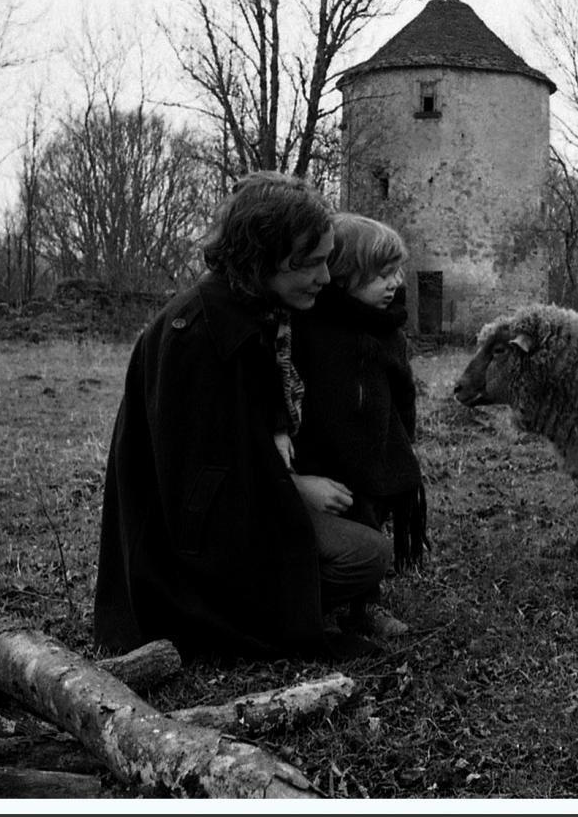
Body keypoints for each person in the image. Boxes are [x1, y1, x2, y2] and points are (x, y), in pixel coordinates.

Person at [93, 171, 395, 661]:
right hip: (193, 557)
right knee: (366, 556)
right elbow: (197, 493)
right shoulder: (196, 336)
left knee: (361, 532)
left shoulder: (261, 316)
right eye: (311, 264)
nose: (324, 277)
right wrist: (292, 489)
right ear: (262, 259)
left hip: (250, 505)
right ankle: (265, 612)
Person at [289, 212, 428, 638]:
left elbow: (403, 391)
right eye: (382, 275)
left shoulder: (390, 332)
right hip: (325, 455)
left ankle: (365, 606)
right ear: (345, 277)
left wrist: (403, 443)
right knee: (346, 524)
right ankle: (325, 593)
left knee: (374, 519)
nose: (395, 283)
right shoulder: (311, 326)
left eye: (397, 272)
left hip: (379, 448)